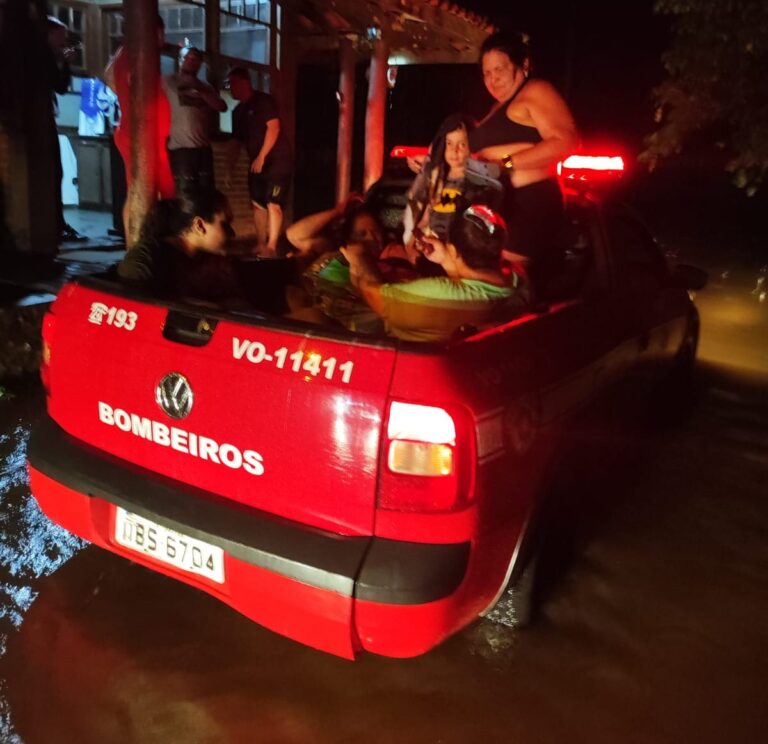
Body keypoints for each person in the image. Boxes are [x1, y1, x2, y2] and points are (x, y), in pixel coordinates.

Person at [341, 205, 522, 342]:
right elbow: (474, 284)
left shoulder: (440, 295)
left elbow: (374, 296)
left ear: (453, 249)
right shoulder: (519, 280)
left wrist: (360, 259)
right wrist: (446, 259)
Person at [286, 197, 415, 332]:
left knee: (313, 316)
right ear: (349, 238)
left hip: (343, 327)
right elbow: (294, 235)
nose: (371, 238)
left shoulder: (391, 255)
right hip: (306, 301)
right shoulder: (334, 250)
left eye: (376, 231)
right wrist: (337, 212)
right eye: (362, 234)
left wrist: (362, 260)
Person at [104, 14, 175, 241]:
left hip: (151, 137)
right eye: (159, 32)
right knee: (140, 191)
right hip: (140, 137)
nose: (162, 38)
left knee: (158, 192)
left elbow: (108, 76)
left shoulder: (128, 55)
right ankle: (135, 248)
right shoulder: (135, 55)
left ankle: (148, 245)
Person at [117, 189, 241, 304]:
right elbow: (135, 310)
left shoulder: (210, 259)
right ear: (199, 226)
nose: (232, 233)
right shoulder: (146, 259)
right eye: (225, 224)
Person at [404, 113, 503, 245]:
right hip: (436, 245)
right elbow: (425, 211)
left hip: (463, 247)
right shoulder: (437, 177)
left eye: (462, 144)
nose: (454, 150)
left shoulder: (479, 180)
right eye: (449, 143)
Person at [226, 67, 292, 256]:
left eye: (233, 83)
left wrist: (262, 156)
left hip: (277, 162)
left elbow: (274, 128)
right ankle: (261, 243)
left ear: (244, 83)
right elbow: (235, 142)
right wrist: (230, 168)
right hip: (257, 164)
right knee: (257, 204)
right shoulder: (238, 112)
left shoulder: (263, 101)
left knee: (273, 203)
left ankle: (271, 246)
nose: (230, 88)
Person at [164, 46, 227, 195]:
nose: (191, 61)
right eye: (187, 58)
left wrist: (202, 93)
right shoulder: (168, 81)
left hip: (203, 148)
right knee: (185, 195)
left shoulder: (206, 87)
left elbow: (222, 107)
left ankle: (202, 219)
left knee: (206, 194)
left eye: (195, 59)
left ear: (200, 64)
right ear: (180, 60)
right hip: (180, 149)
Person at [46, 16, 86, 242]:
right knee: (51, 172)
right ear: (50, 34)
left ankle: (58, 223)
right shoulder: (39, 58)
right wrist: (62, 62)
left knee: (56, 172)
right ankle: (54, 225)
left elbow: (61, 88)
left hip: (48, 119)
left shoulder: (54, 57)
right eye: (61, 34)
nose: (65, 39)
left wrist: (66, 63)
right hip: (39, 121)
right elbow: (56, 84)